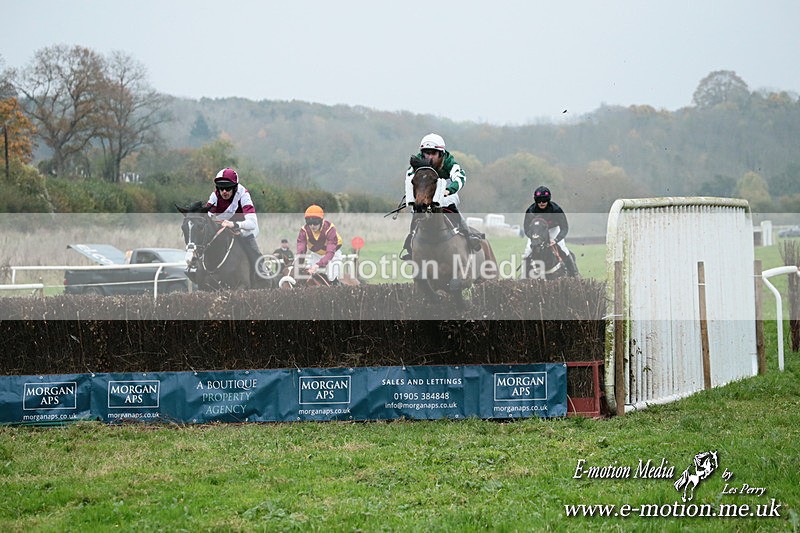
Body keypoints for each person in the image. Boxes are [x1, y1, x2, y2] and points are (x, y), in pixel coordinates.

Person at [400, 133, 482, 260]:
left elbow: (460, 177)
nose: (429, 157)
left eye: (433, 153)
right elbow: (410, 177)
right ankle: (411, 241)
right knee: (416, 211)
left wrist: (449, 190)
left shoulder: (449, 162)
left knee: (452, 206)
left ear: (441, 154)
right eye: (426, 153)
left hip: (443, 192)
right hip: (425, 194)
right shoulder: (417, 162)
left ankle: (468, 235)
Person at [204, 167, 266, 282]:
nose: (224, 192)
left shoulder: (243, 194)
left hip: (244, 228)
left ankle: (263, 274)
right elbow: (207, 217)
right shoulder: (214, 196)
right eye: (221, 188)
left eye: (227, 188)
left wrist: (234, 224)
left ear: (234, 187)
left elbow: (252, 223)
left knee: (251, 247)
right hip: (223, 228)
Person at [522, 186, 579, 277]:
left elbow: (564, 227)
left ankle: (575, 274)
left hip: (553, 230)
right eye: (539, 201)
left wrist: (556, 240)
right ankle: (523, 277)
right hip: (537, 232)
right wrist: (533, 238)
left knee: (563, 248)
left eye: (544, 201)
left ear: (548, 200)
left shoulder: (556, 210)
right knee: (527, 251)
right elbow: (526, 229)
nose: (541, 203)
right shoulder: (530, 211)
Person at [296, 204, 344, 284]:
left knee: (332, 276)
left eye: (315, 223)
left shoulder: (330, 228)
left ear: (321, 220)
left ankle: (337, 286)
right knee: (305, 275)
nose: (312, 226)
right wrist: (298, 264)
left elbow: (330, 252)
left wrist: (318, 265)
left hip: (333, 254)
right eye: (309, 223)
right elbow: (301, 250)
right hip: (316, 254)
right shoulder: (304, 230)